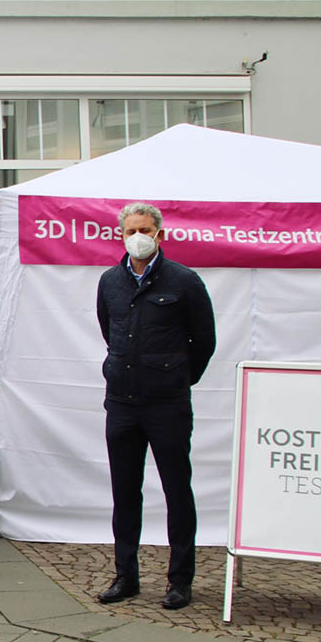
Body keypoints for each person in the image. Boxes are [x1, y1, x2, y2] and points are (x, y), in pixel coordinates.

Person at [95, 202, 216, 611]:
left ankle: (180, 580)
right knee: (125, 492)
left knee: (176, 490)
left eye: (145, 229)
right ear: (122, 235)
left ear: (160, 234)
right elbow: (107, 330)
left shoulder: (184, 281)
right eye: (131, 230)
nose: (138, 236)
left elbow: (205, 341)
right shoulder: (110, 281)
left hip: (167, 404)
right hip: (122, 404)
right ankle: (125, 575)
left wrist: (177, 377)